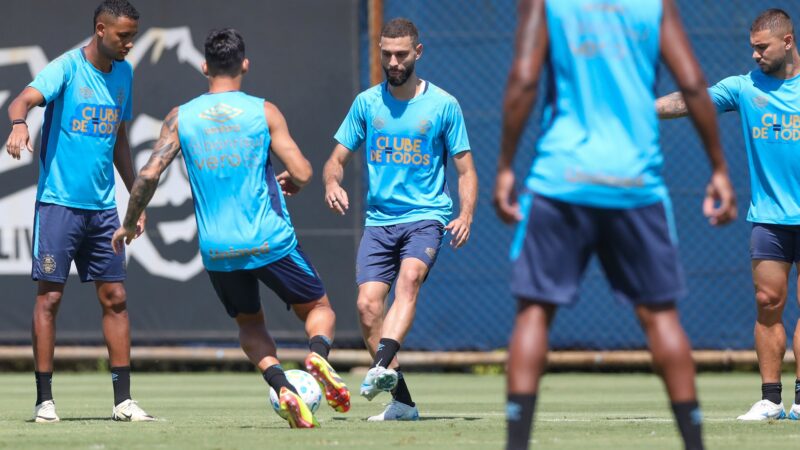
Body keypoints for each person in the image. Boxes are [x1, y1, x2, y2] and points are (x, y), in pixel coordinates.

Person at [494, 0, 738, 448]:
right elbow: (694, 84)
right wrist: (719, 167)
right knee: (662, 318)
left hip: (561, 180)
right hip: (635, 183)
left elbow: (525, 78)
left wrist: (506, 165)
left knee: (533, 313)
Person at [111, 28, 350, 429]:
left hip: (219, 249)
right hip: (270, 239)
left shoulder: (180, 117)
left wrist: (131, 219)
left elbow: (149, 174)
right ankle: (317, 358)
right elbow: (306, 171)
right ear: (244, 65)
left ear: (204, 67)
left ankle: (280, 384)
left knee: (250, 324)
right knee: (320, 308)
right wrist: (294, 179)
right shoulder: (263, 112)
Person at [4, 0, 153, 423]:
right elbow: (22, 101)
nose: (129, 44)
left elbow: (119, 138)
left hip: (104, 210)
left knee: (116, 298)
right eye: (123, 36)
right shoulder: (66, 68)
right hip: (59, 205)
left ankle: (123, 400)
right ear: (101, 29)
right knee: (49, 299)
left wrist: (135, 199)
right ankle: (44, 401)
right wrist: (18, 125)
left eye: (133, 36)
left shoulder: (125, 73)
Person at [322, 18, 478, 421]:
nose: (393, 61)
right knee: (367, 307)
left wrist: (465, 214)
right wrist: (332, 183)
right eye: (387, 53)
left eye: (401, 54)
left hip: (426, 217)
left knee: (409, 281)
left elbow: (466, 169)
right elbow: (335, 161)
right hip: (379, 222)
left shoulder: (444, 105)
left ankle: (379, 366)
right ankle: (403, 402)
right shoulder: (366, 103)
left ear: (418, 53)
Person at [657, 8, 800, 422]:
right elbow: (691, 100)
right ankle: (771, 400)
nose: (755, 55)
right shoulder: (743, 87)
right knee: (767, 302)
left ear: (787, 42)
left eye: (762, 47)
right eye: (752, 48)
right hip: (769, 218)